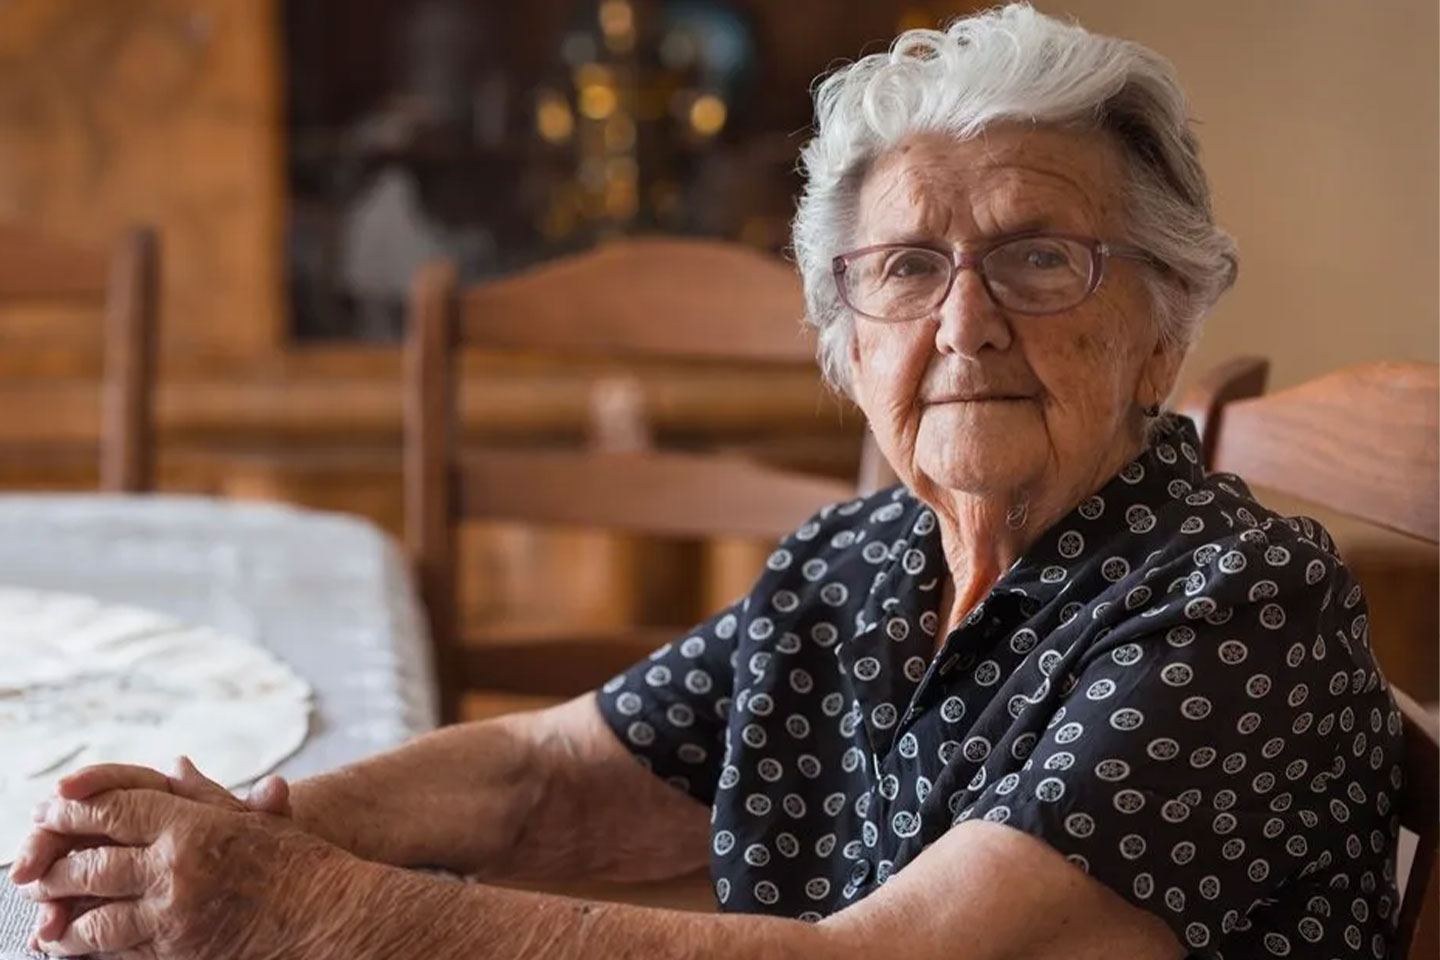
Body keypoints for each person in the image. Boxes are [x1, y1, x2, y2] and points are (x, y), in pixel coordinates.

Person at [12, 5, 1402, 958]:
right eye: (907, 268)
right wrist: (249, 828)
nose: (964, 322)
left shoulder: (1239, 607)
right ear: (844, 344)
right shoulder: (863, 559)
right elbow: (552, 774)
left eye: (1041, 258)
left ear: (1162, 326)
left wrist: (318, 910)